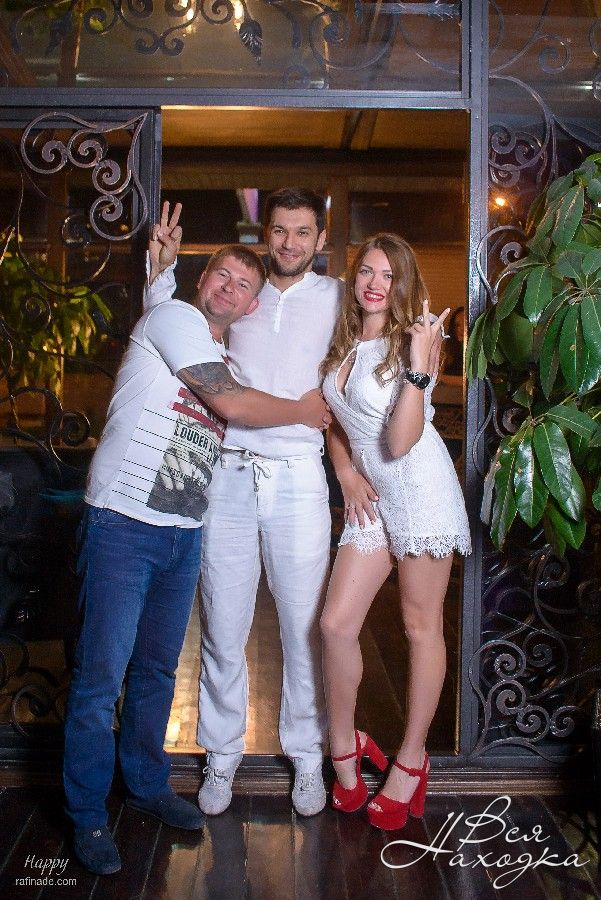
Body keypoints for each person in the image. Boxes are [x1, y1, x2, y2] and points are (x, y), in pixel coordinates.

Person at [63, 203, 331, 876]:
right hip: (123, 525)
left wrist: (156, 272)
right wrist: (304, 410)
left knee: (156, 671)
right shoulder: (175, 320)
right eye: (220, 276)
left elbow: (216, 415)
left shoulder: (215, 347)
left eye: (243, 285)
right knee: (101, 680)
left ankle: (146, 786)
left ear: (250, 305)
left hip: (180, 531)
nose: (229, 290)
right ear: (201, 278)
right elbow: (232, 404)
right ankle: (87, 814)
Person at [146, 189, 346, 817]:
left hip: (300, 477)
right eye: (280, 230)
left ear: (320, 238)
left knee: (303, 626)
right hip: (226, 472)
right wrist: (160, 271)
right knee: (223, 623)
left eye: (303, 232)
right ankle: (222, 755)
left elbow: (370, 357)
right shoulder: (245, 296)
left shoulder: (338, 298)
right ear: (266, 233)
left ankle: (307, 758)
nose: (290, 242)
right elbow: (180, 325)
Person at [319, 233, 471, 830]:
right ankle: (345, 745)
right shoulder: (343, 342)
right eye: (366, 271)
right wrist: (345, 473)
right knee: (335, 624)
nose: (375, 283)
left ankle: (410, 760)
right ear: (354, 278)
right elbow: (335, 421)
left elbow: (402, 440)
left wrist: (417, 365)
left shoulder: (416, 340)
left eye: (387, 274)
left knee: (418, 626)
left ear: (402, 283)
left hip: (420, 490)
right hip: (373, 499)